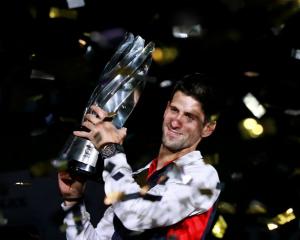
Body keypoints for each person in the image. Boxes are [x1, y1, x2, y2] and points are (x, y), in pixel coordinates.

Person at [58, 73, 222, 239]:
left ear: (207, 128)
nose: (175, 122)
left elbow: (135, 214)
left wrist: (110, 149)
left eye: (189, 117)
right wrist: (74, 201)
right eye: (174, 110)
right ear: (166, 110)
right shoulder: (138, 176)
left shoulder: (203, 177)